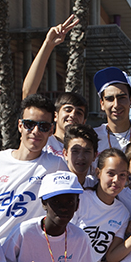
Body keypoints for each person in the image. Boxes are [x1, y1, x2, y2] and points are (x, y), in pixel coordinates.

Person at [0, 94, 68, 240]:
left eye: (43, 126)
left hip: (27, 253)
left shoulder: (57, 166)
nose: (36, 131)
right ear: (20, 126)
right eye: (29, 124)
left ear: (51, 131)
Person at [21, 14, 88, 159]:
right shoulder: (43, 138)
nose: (72, 116)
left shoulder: (86, 147)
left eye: (79, 113)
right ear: (55, 116)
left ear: (84, 121)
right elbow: (28, 92)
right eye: (68, 110)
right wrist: (48, 44)